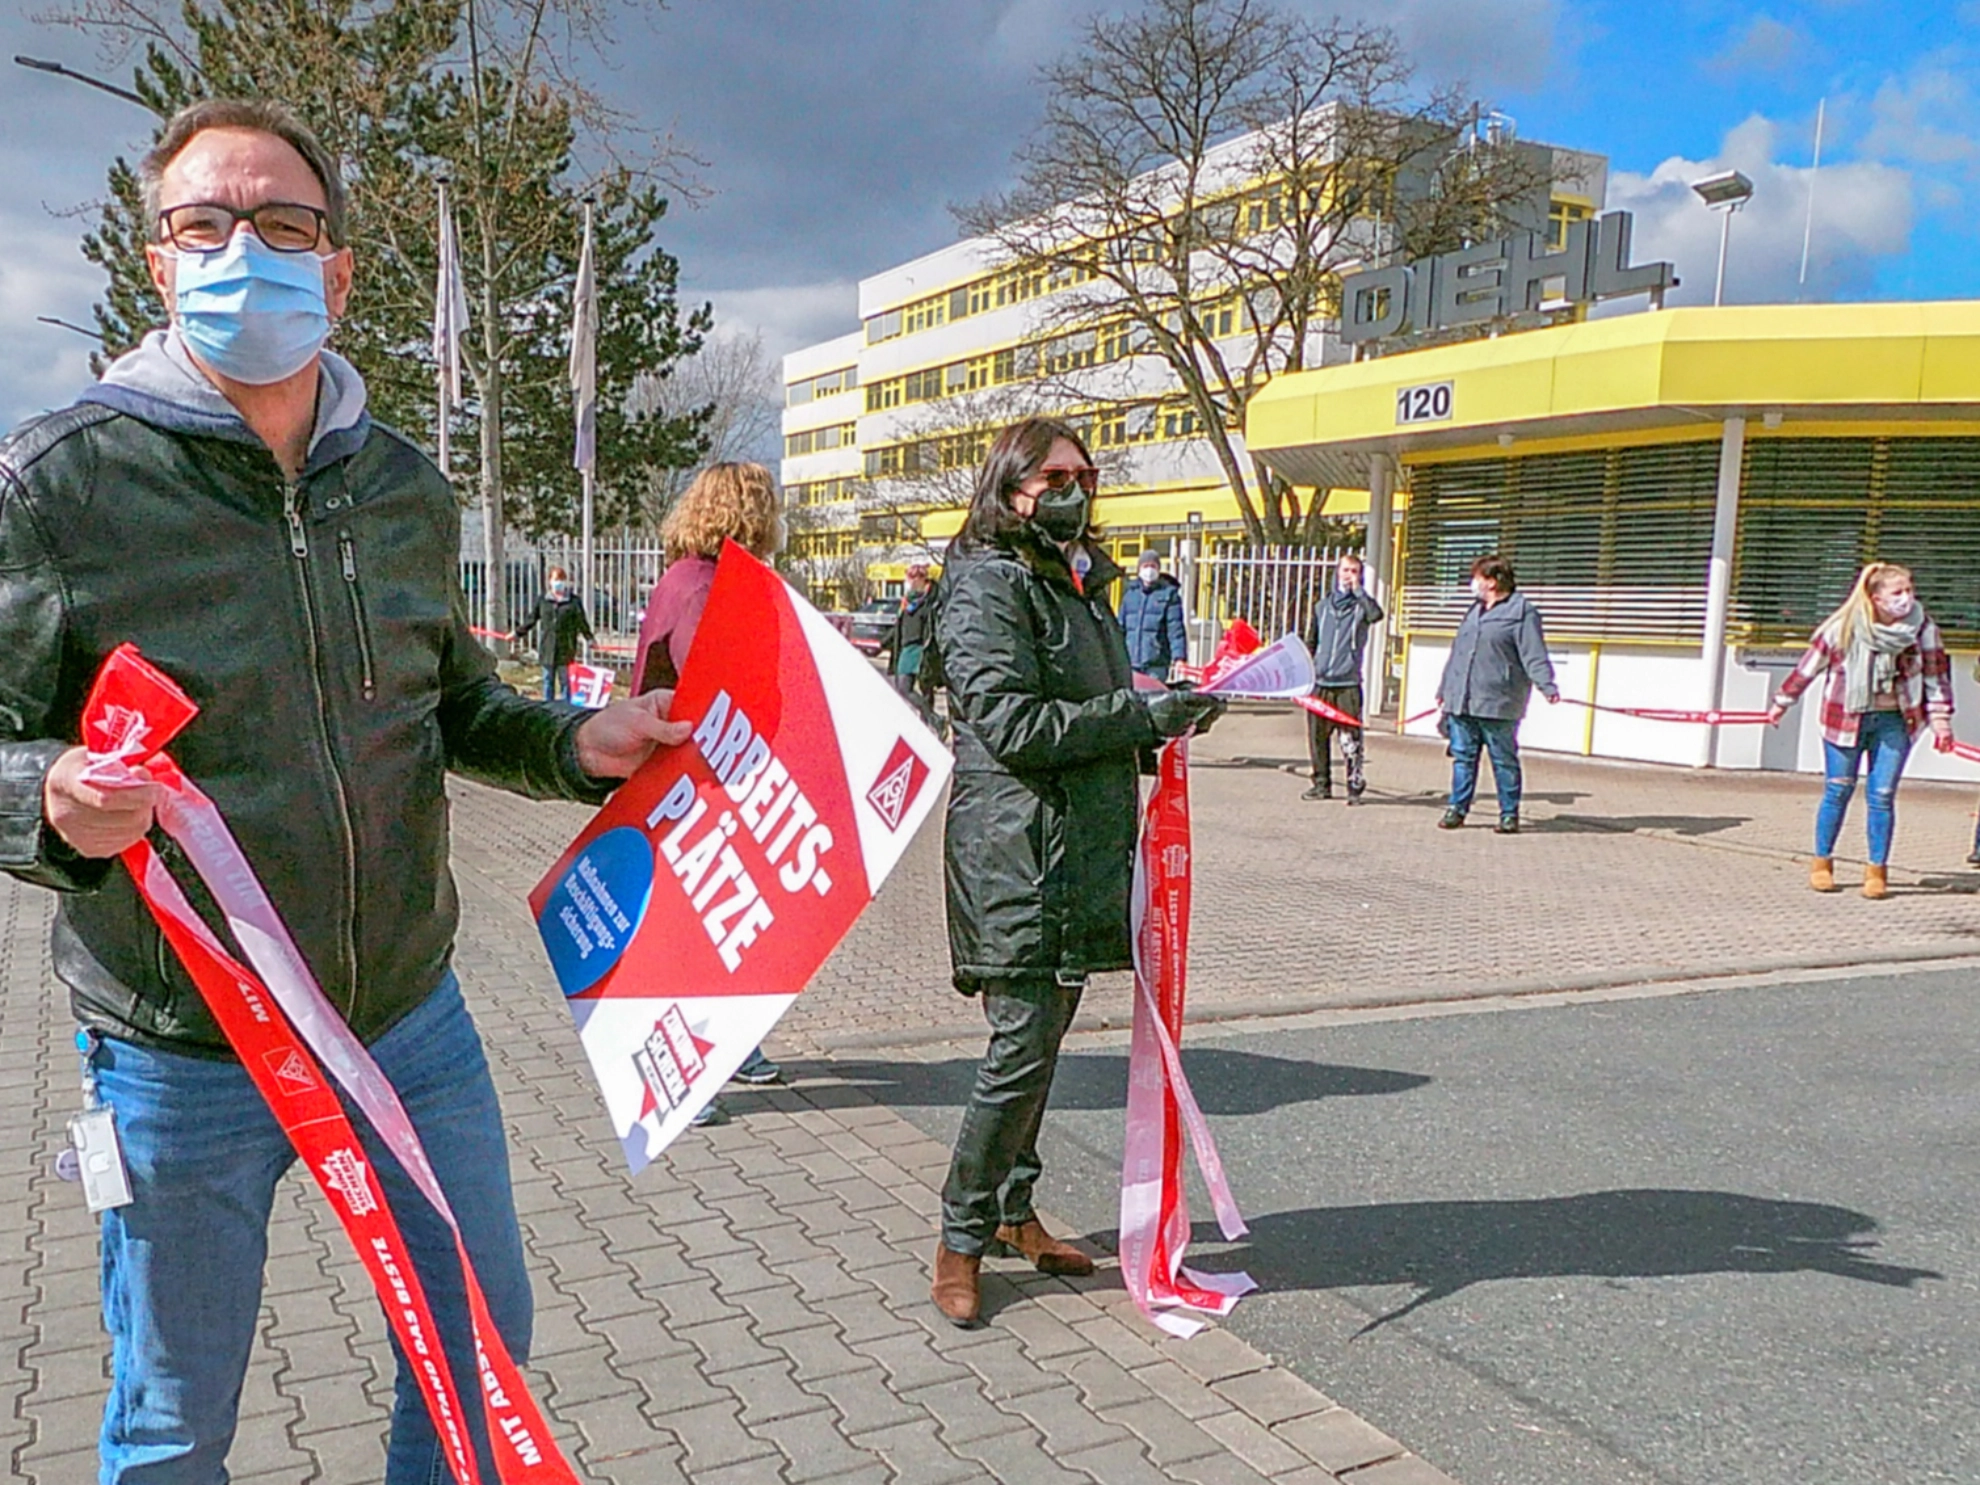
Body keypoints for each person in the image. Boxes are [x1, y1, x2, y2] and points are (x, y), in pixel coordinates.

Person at [0, 98, 692, 1482]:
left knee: (477, 1355)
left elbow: (456, 710)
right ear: (158, 260)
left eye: (283, 222)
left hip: (405, 1021)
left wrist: (573, 745)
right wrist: (45, 791)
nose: (243, 244)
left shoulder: (405, 490)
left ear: (339, 267)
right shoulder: (61, 483)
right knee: (170, 1419)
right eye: (207, 222)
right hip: (179, 1049)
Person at [929, 417, 1224, 1327]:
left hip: (1073, 847)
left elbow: (1092, 711)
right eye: (1055, 474)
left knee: (1045, 1038)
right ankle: (959, 1236)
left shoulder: (1075, 580)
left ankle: (1015, 1211)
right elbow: (1014, 727)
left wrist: (1164, 722)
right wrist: (1142, 720)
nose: (1075, 488)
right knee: (1018, 1046)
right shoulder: (984, 583)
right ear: (1011, 483)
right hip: (1014, 852)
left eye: (1085, 475)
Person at [633, 462, 787, 1105]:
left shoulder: (686, 578)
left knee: (703, 923)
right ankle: (682, 1070)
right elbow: (719, 689)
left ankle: (731, 1047)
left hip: (674, 775)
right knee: (702, 928)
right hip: (698, 780)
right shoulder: (705, 590)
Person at [1766, 562, 1955, 899]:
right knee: (1838, 790)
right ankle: (1822, 863)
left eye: (1909, 590)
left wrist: (1941, 721)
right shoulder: (1843, 627)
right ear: (1875, 597)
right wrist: (1782, 701)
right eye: (1897, 592)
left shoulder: (1922, 628)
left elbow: (1936, 676)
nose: (1906, 598)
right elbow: (1808, 668)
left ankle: (1876, 871)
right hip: (1844, 719)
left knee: (1881, 796)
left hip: (1895, 721)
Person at [1435, 553, 1559, 834]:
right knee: (1463, 758)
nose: (1473, 583)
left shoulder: (1521, 612)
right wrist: (1445, 688)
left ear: (1492, 581)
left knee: (1503, 759)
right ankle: (1457, 808)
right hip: (1462, 700)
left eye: (1477, 577)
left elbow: (1533, 654)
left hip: (1498, 702)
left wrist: (1546, 686)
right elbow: (1458, 653)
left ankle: (1508, 813)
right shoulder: (1474, 609)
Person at [1301, 552, 1383, 803]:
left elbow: (1376, 615)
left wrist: (1359, 591)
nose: (1349, 576)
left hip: (1347, 683)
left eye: (1354, 571)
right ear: (1337, 573)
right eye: (1345, 570)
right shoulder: (1321, 606)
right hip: (1321, 683)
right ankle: (1321, 784)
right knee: (1317, 736)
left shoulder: (1362, 606)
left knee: (1350, 738)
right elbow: (1311, 641)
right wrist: (1308, 672)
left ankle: (1354, 785)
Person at [513, 564, 594, 701]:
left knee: (565, 682)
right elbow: (531, 619)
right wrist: (517, 633)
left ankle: (566, 709)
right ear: (550, 581)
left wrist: (589, 638)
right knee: (547, 681)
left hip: (565, 649)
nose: (559, 583)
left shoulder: (573, 602)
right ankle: (548, 709)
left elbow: (581, 622)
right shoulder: (543, 600)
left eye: (562, 579)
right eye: (556, 579)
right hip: (547, 648)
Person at [1118, 548, 1189, 680]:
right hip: (1131, 663)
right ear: (1139, 569)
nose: (1149, 570)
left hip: (1156, 665)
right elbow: (1119, 629)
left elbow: (1175, 629)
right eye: (1146, 566)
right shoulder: (1130, 595)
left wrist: (1179, 657)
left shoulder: (1169, 594)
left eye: (1153, 566)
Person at [889, 561, 940, 710]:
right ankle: (933, 721)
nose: (909, 582)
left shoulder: (930, 600)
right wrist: (884, 641)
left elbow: (931, 624)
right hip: (907, 646)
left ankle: (932, 721)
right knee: (904, 687)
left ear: (920, 579)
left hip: (921, 647)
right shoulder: (907, 601)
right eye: (908, 578)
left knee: (922, 688)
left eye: (911, 578)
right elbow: (900, 626)